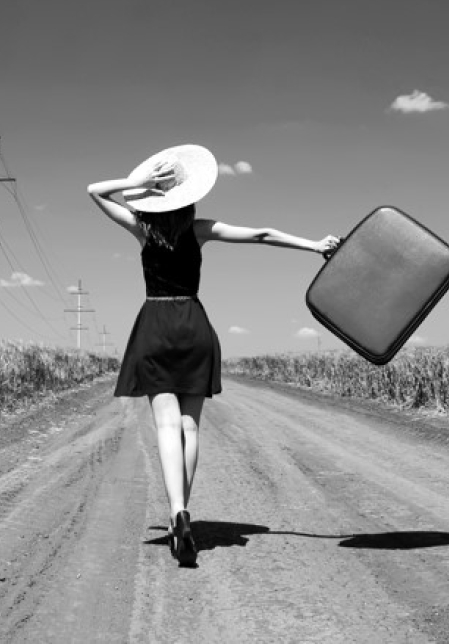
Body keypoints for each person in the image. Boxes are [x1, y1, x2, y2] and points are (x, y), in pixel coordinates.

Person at [87, 145, 340, 566]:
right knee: (191, 427)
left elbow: (95, 190)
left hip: (155, 323)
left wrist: (139, 185)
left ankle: (176, 514)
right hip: (193, 323)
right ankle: (182, 514)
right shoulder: (199, 229)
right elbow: (261, 234)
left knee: (166, 425)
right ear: (189, 198)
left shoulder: (140, 228)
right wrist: (314, 245)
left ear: (154, 197)